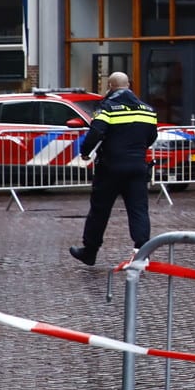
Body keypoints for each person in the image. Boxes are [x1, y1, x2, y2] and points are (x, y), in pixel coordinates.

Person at [69, 71, 158, 266]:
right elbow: (152, 137)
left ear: (110, 86)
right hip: (137, 167)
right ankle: (142, 253)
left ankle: (90, 251)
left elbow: (96, 132)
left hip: (111, 167)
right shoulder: (148, 110)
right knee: (139, 210)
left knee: (100, 210)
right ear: (129, 85)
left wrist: (85, 152)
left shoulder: (108, 108)